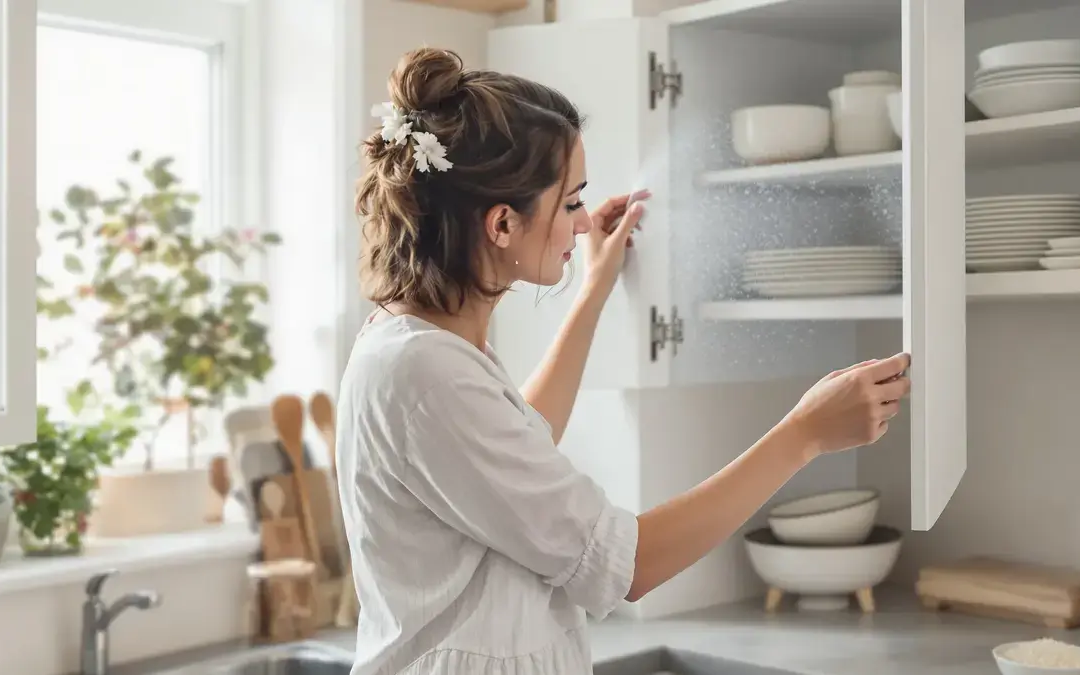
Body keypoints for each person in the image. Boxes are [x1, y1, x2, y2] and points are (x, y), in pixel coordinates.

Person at [335, 47, 912, 675]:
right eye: (573, 201)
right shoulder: (424, 370)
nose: (583, 225)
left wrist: (594, 290)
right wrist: (803, 435)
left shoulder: (422, 341)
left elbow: (521, 442)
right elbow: (627, 566)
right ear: (503, 224)